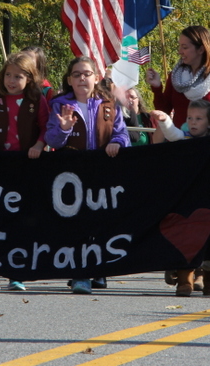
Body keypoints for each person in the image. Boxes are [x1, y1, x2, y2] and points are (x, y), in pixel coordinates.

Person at [45, 56, 129, 294]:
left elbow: (122, 134)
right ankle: (79, 274)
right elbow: (51, 140)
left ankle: (99, 270)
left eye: (87, 74)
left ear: (96, 78)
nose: (82, 78)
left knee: (101, 220)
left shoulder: (109, 103)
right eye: (77, 74)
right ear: (70, 80)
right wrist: (64, 128)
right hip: (71, 174)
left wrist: (116, 142)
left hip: (102, 171)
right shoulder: (59, 104)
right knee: (76, 222)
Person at [0, 52, 49, 292]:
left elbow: (46, 127)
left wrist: (38, 145)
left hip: (26, 166)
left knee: (21, 219)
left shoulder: (37, 100)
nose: (11, 81)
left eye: (18, 77)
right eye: (8, 75)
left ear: (30, 79)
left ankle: (17, 273)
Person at [151, 100, 210, 297]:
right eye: (190, 118)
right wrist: (165, 120)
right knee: (186, 237)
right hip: (188, 199)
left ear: (209, 123)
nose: (193, 122)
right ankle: (185, 277)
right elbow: (172, 133)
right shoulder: (183, 138)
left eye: (199, 119)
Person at [146, 25, 210, 128]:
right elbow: (164, 111)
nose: (179, 51)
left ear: (201, 49)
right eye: (180, 46)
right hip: (181, 140)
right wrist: (157, 88)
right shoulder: (176, 77)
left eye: (185, 47)